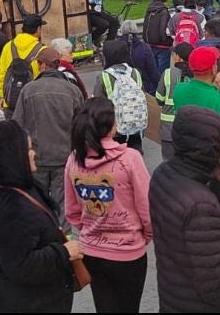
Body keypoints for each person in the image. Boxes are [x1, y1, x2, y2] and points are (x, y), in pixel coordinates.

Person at [149, 106, 220, 313]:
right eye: (217, 138)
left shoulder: (164, 174)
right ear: (204, 147)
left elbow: (201, 229)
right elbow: (214, 285)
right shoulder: (199, 206)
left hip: (174, 294)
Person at [0, 120, 80, 313]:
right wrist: (64, 252)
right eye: (27, 149)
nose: (33, 153)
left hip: (7, 296)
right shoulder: (11, 206)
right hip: (32, 302)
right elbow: (22, 265)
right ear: (12, 156)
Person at [63, 98, 153, 313]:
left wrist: (90, 229)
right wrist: (145, 236)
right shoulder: (130, 159)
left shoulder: (74, 159)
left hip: (92, 251)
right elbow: (148, 209)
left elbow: (72, 211)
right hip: (129, 252)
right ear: (110, 126)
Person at [12, 53, 85, 231]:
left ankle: (42, 237)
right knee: (63, 203)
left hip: (37, 158)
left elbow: (16, 125)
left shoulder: (28, 90)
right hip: (65, 157)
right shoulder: (72, 90)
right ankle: (65, 240)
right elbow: (82, 126)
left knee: (38, 203)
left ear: (42, 65)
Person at [173, 46, 220, 216]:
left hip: (191, 170)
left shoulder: (179, 91)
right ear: (214, 68)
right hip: (218, 175)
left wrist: (215, 87)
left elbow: (202, 98)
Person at [95, 38, 148, 152]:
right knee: (134, 156)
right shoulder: (135, 73)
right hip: (135, 126)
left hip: (113, 129)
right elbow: (142, 94)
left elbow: (97, 104)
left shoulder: (104, 76)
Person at [0, 16, 47, 111]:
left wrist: (2, 96)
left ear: (22, 29)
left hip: (11, 102)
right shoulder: (42, 50)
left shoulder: (8, 46)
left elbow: (0, 73)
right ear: (38, 29)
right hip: (34, 103)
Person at [153, 42, 194, 161]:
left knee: (168, 163)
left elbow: (159, 98)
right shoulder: (195, 75)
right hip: (189, 129)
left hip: (168, 128)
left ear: (178, 57)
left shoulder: (168, 73)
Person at [120, 19, 160, 95]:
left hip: (122, 88)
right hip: (144, 87)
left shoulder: (116, 48)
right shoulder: (144, 48)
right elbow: (152, 71)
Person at [144, 0, 175, 75]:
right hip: (162, 46)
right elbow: (163, 29)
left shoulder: (150, 9)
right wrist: (168, 41)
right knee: (163, 74)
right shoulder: (164, 11)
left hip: (150, 43)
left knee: (154, 71)